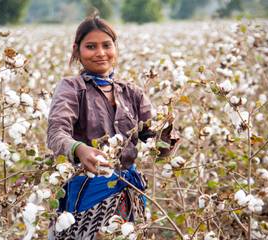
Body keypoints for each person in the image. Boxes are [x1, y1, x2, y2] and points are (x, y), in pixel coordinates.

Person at [47, 15, 179, 240]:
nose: (100, 53)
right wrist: (80, 149)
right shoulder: (71, 88)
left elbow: (155, 143)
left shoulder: (132, 93)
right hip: (86, 193)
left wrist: (167, 133)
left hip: (128, 193)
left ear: (115, 48)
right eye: (91, 47)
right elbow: (56, 132)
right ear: (77, 51)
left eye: (106, 45)